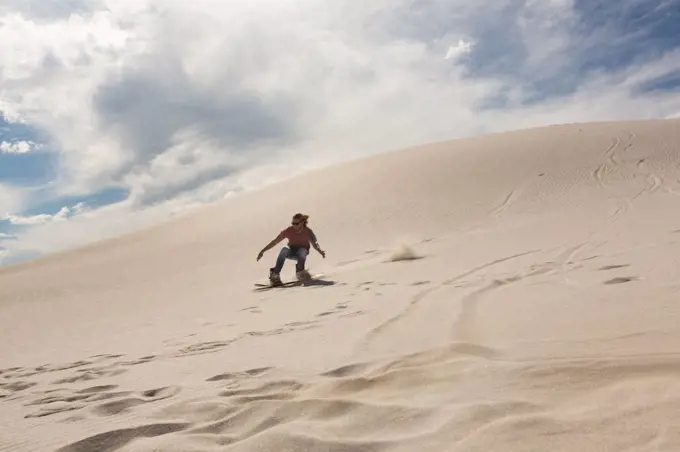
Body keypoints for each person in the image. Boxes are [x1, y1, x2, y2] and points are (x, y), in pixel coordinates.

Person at [256, 213, 326, 283]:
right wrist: (263, 251)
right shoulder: (289, 230)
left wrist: (320, 250)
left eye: (297, 223)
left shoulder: (308, 231)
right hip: (291, 251)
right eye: (293, 223)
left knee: (302, 251)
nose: (294, 225)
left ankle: (300, 272)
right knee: (284, 250)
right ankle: (275, 274)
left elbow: (315, 243)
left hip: (302, 252)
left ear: (302, 223)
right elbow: (275, 241)